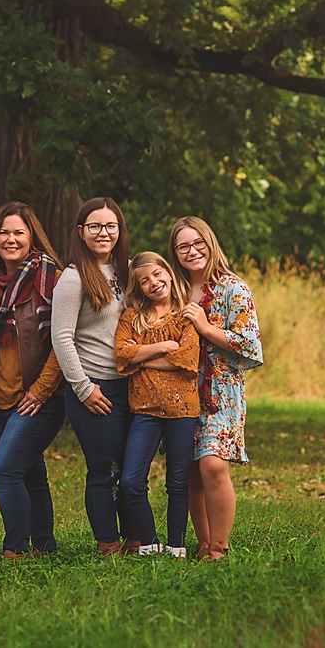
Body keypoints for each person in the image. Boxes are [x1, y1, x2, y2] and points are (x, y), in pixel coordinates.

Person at [168, 216, 264, 561]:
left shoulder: (233, 288)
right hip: (180, 392)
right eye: (183, 247)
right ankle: (204, 542)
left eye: (198, 244)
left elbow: (249, 345)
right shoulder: (174, 290)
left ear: (210, 244)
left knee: (213, 465)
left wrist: (205, 328)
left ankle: (219, 548)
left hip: (222, 392)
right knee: (190, 470)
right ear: (175, 253)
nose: (192, 251)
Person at [0, 201, 67, 559]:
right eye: (4, 232)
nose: (10, 239)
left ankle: (14, 549)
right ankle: (44, 547)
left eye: (18, 232)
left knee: (4, 467)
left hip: (39, 397)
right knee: (31, 472)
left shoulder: (53, 278)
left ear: (32, 236)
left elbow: (64, 341)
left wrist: (41, 389)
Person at [51, 197, 134, 555]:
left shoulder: (128, 271)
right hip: (94, 389)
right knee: (103, 469)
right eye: (95, 226)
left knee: (132, 470)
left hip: (131, 386)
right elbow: (61, 338)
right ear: (81, 232)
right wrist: (84, 389)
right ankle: (108, 542)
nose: (104, 233)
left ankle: (137, 537)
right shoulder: (72, 278)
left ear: (120, 230)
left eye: (110, 226)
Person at [113, 251, 200, 558]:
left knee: (177, 480)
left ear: (167, 272)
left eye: (157, 275)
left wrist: (142, 359)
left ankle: (176, 545)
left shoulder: (186, 315)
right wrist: (162, 347)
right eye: (144, 281)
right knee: (131, 480)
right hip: (145, 410)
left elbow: (188, 360)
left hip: (182, 410)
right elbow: (121, 356)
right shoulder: (131, 318)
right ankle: (149, 542)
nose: (153, 283)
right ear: (138, 288)